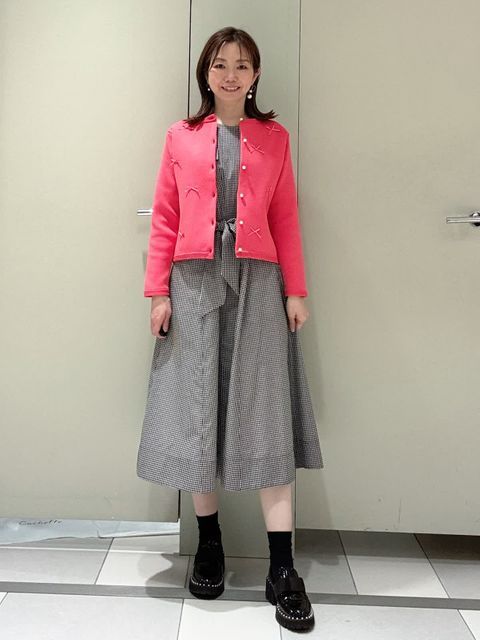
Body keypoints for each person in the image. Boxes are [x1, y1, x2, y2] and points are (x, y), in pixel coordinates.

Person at [136, 26, 324, 632]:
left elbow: (286, 215)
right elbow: (165, 216)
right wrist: (157, 292)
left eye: (242, 65)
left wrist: (296, 289)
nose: (231, 75)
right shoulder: (180, 135)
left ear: (256, 74)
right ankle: (210, 544)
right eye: (220, 64)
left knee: (264, 410)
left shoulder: (275, 137)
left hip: (260, 283)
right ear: (206, 72)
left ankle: (282, 567)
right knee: (199, 409)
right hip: (191, 283)